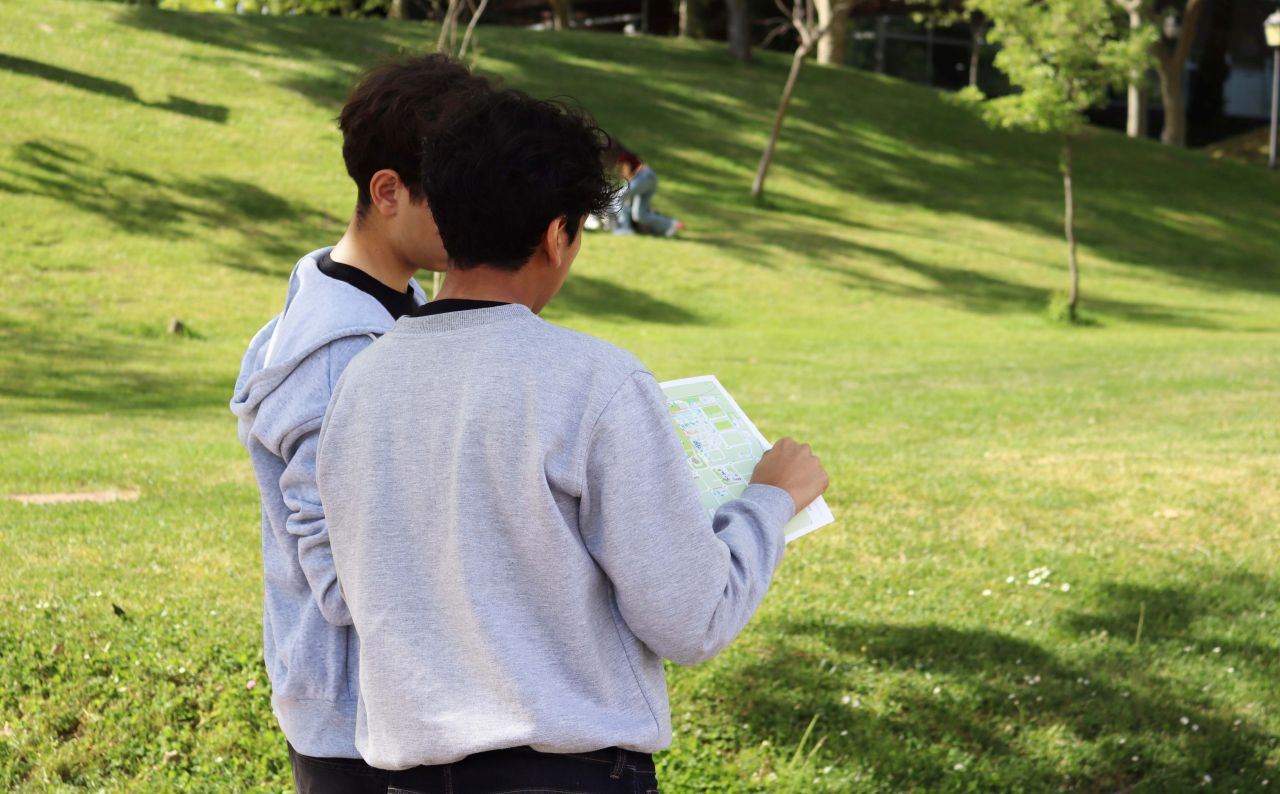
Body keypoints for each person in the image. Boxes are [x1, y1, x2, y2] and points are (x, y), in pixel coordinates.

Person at [315, 87, 829, 792]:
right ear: (559, 234)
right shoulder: (595, 381)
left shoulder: (359, 383)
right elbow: (693, 618)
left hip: (404, 773)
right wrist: (770, 502)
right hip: (564, 775)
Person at [229, 54, 490, 794]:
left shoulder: (395, 313)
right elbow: (346, 586)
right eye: (460, 194)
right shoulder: (333, 357)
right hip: (357, 736)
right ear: (388, 192)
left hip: (404, 715)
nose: (481, 216)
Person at [610, 141, 684, 237]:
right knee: (640, 215)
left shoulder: (622, 156)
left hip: (643, 178)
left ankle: (625, 228)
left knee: (618, 197)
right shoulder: (627, 154)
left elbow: (627, 174)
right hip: (650, 178)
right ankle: (672, 224)